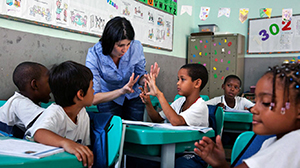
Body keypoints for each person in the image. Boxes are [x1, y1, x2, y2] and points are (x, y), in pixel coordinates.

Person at [194, 63, 300, 168]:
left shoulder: (291, 144)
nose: (254, 109)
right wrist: (221, 164)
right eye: (256, 101)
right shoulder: (270, 142)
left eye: (266, 103)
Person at [86, 16, 158, 121]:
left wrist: (147, 80)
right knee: (112, 132)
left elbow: (139, 75)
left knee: (134, 132)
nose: (125, 49)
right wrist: (121, 91)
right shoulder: (94, 55)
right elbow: (93, 98)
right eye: (120, 45)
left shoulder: (136, 47)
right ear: (109, 42)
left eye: (128, 44)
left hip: (133, 96)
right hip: (108, 97)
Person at [137, 63, 209, 168]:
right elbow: (157, 119)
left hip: (193, 154)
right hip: (174, 149)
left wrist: (159, 94)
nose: (178, 83)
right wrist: (148, 103)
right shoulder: (179, 102)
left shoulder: (200, 106)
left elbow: (177, 122)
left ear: (197, 83)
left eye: (182, 79)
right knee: (141, 161)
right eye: (177, 79)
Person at [25, 61, 94, 168]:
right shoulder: (55, 112)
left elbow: (84, 148)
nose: (94, 91)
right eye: (91, 88)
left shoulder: (82, 114)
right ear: (80, 94)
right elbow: (39, 133)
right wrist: (66, 143)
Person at [0, 62, 51, 138]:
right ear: (35, 85)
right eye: (49, 81)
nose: (53, 85)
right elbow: (49, 122)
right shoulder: (20, 102)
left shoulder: (25, 102)